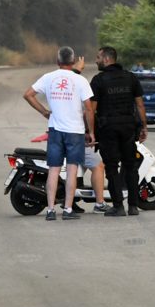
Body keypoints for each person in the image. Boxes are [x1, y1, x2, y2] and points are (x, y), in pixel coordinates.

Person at [23, 46, 94, 221]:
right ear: (73, 61)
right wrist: (91, 131)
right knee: (71, 170)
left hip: (55, 130)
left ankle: (50, 209)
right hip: (75, 132)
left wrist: (44, 112)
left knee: (53, 170)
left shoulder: (48, 78)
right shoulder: (80, 80)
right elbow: (89, 108)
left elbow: (28, 94)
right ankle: (68, 209)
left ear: (57, 61)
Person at [90, 45, 148, 216]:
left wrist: (90, 131)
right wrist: (144, 126)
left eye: (98, 57)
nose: (96, 60)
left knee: (112, 167)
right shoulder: (130, 78)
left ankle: (118, 206)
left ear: (107, 59)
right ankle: (133, 206)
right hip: (129, 127)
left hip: (108, 128)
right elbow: (139, 105)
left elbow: (92, 109)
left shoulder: (98, 80)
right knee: (131, 167)